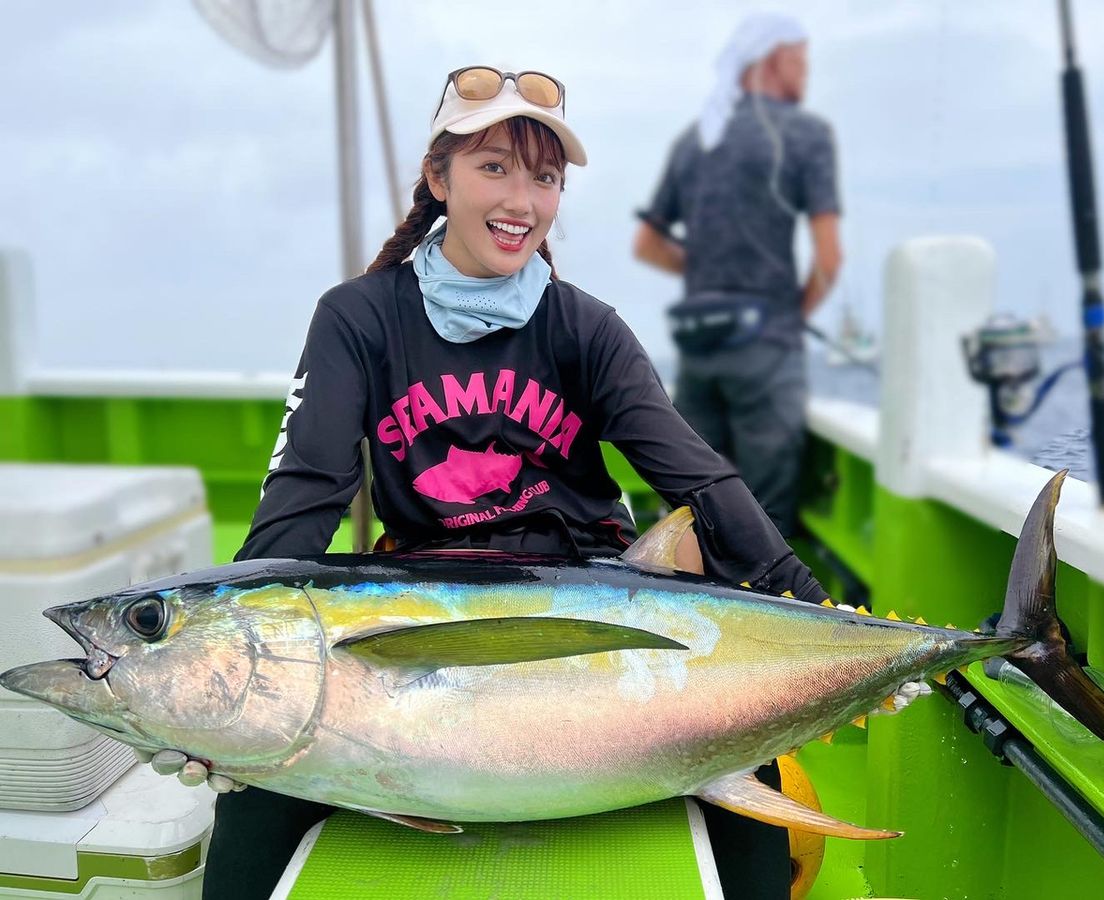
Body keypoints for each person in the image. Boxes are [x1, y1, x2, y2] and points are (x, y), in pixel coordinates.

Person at [166, 65, 830, 899]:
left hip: (592, 604)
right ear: (438, 177)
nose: (522, 200)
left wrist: (811, 608)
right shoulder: (361, 317)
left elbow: (696, 475)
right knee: (251, 822)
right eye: (494, 167)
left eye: (544, 177)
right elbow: (301, 500)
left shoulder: (585, 326)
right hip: (426, 613)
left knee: (752, 820)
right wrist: (228, 670)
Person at [633, 14, 843, 537]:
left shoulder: (693, 140)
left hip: (701, 348)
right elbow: (829, 259)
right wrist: (792, 312)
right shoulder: (806, 135)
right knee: (764, 516)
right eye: (801, 61)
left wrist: (703, 270)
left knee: (691, 506)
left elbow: (648, 244)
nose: (806, 75)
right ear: (772, 60)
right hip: (767, 348)